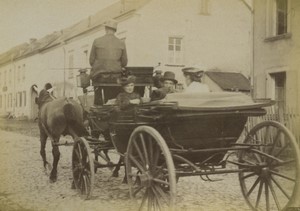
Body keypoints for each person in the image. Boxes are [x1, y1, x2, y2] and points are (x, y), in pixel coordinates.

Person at [89, 18, 128, 105]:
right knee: (113, 97)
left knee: (98, 96)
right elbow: (124, 62)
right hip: (115, 77)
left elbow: (91, 61)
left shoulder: (97, 41)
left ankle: (98, 108)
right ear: (115, 30)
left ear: (106, 29)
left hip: (99, 77)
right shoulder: (121, 43)